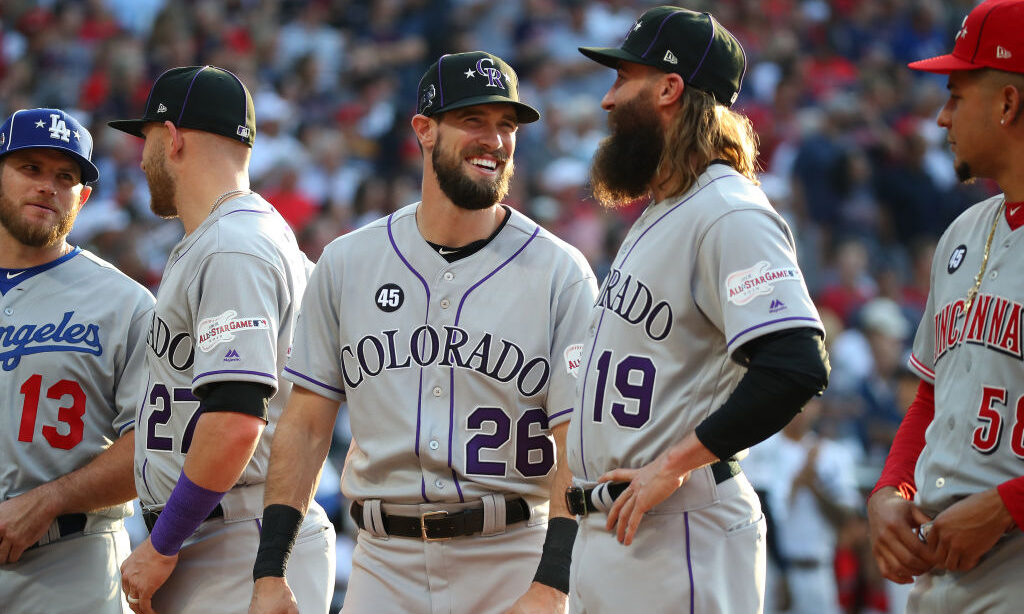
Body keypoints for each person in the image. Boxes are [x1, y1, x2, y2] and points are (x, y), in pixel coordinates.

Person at [248, 51, 598, 614]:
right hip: (383, 562)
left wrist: (553, 582)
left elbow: (577, 444)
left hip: (511, 554)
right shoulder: (347, 262)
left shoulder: (560, 272)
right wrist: (270, 571)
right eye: (474, 121)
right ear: (424, 130)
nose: (495, 140)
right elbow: (306, 424)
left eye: (506, 125)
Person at [567, 7, 830, 613]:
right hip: (616, 530)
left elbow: (796, 363)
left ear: (668, 87)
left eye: (621, 79)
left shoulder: (728, 211)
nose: (608, 101)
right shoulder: (667, 210)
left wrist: (673, 465)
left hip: (679, 529)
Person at [108, 65, 335, 614]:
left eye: (146, 140)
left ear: (173, 137)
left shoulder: (233, 246)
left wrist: (163, 543)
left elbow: (236, 420)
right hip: (216, 527)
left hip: (236, 532)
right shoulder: (232, 235)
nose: (141, 159)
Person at [867, 2, 1024, 612]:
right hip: (944, 567)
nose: (941, 116)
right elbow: (933, 395)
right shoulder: (961, 232)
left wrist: (1008, 505)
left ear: (1008, 103)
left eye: (957, 94)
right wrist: (888, 491)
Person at [0, 108, 155, 613]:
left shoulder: (126, 303)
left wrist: (50, 501)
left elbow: (156, 446)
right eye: (30, 168)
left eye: (65, 177)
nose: (47, 186)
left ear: (83, 197)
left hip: (68, 557)